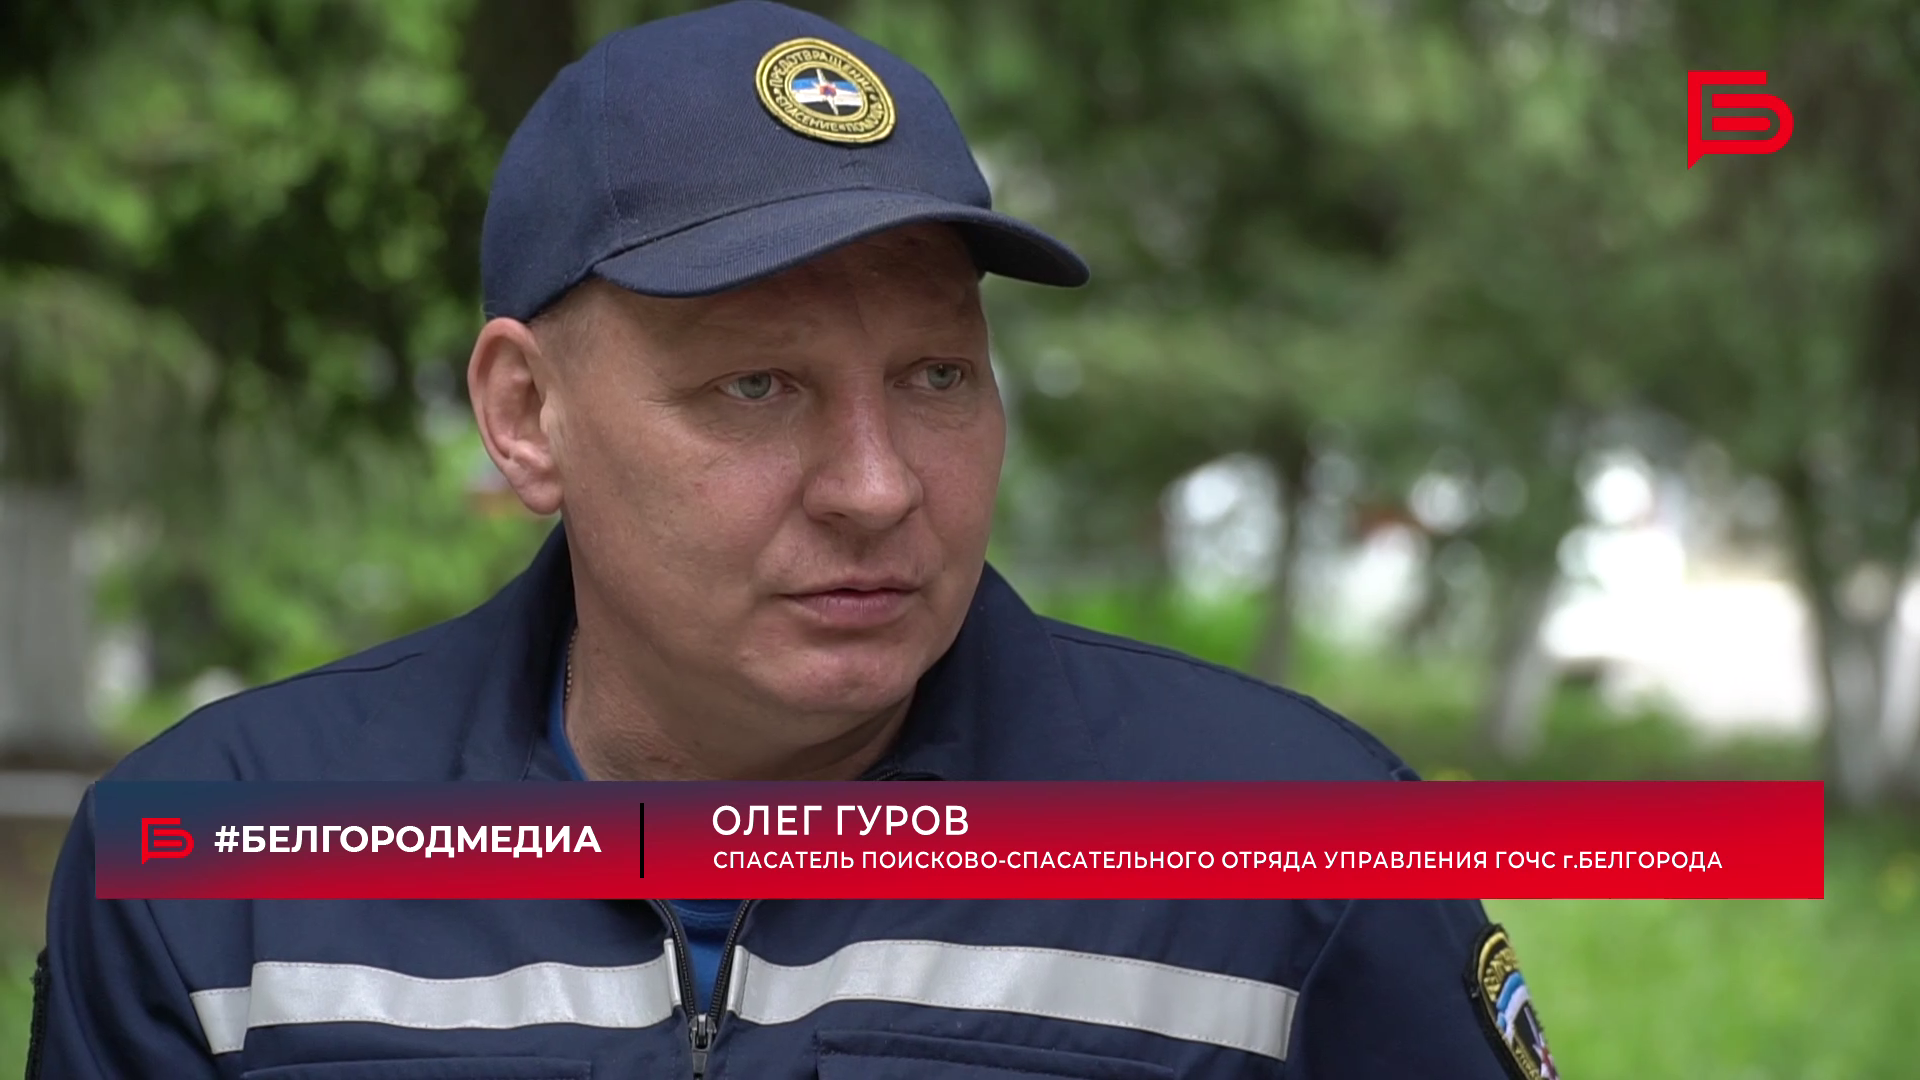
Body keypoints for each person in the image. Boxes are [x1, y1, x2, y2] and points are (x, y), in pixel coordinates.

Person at [30, 3, 1558, 1078]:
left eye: (936, 376)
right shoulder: (208, 871)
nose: (877, 487)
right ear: (525, 415)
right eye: (757, 386)